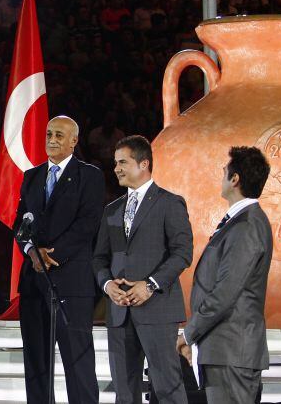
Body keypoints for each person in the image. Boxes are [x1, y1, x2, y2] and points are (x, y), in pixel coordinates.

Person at [92, 135, 193, 404]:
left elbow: (183, 253)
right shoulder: (111, 209)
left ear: (144, 163)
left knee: (168, 387)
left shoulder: (170, 203)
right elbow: (99, 258)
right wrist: (107, 285)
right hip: (118, 312)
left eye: (123, 162)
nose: (116, 168)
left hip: (157, 310)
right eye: (115, 163)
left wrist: (149, 284)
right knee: (124, 392)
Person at [14, 116, 105, 403]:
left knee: (78, 362)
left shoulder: (89, 175)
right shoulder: (32, 176)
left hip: (71, 283)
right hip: (33, 283)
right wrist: (31, 252)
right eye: (49, 133)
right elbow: (20, 224)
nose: (52, 139)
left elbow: (87, 224)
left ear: (74, 141)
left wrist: (50, 257)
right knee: (37, 363)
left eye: (59, 135)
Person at [177, 146, 272, 404]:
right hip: (225, 352)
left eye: (224, 171)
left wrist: (188, 334)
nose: (221, 176)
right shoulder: (242, 221)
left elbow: (224, 292)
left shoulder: (247, 225)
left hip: (231, 354)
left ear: (235, 179)